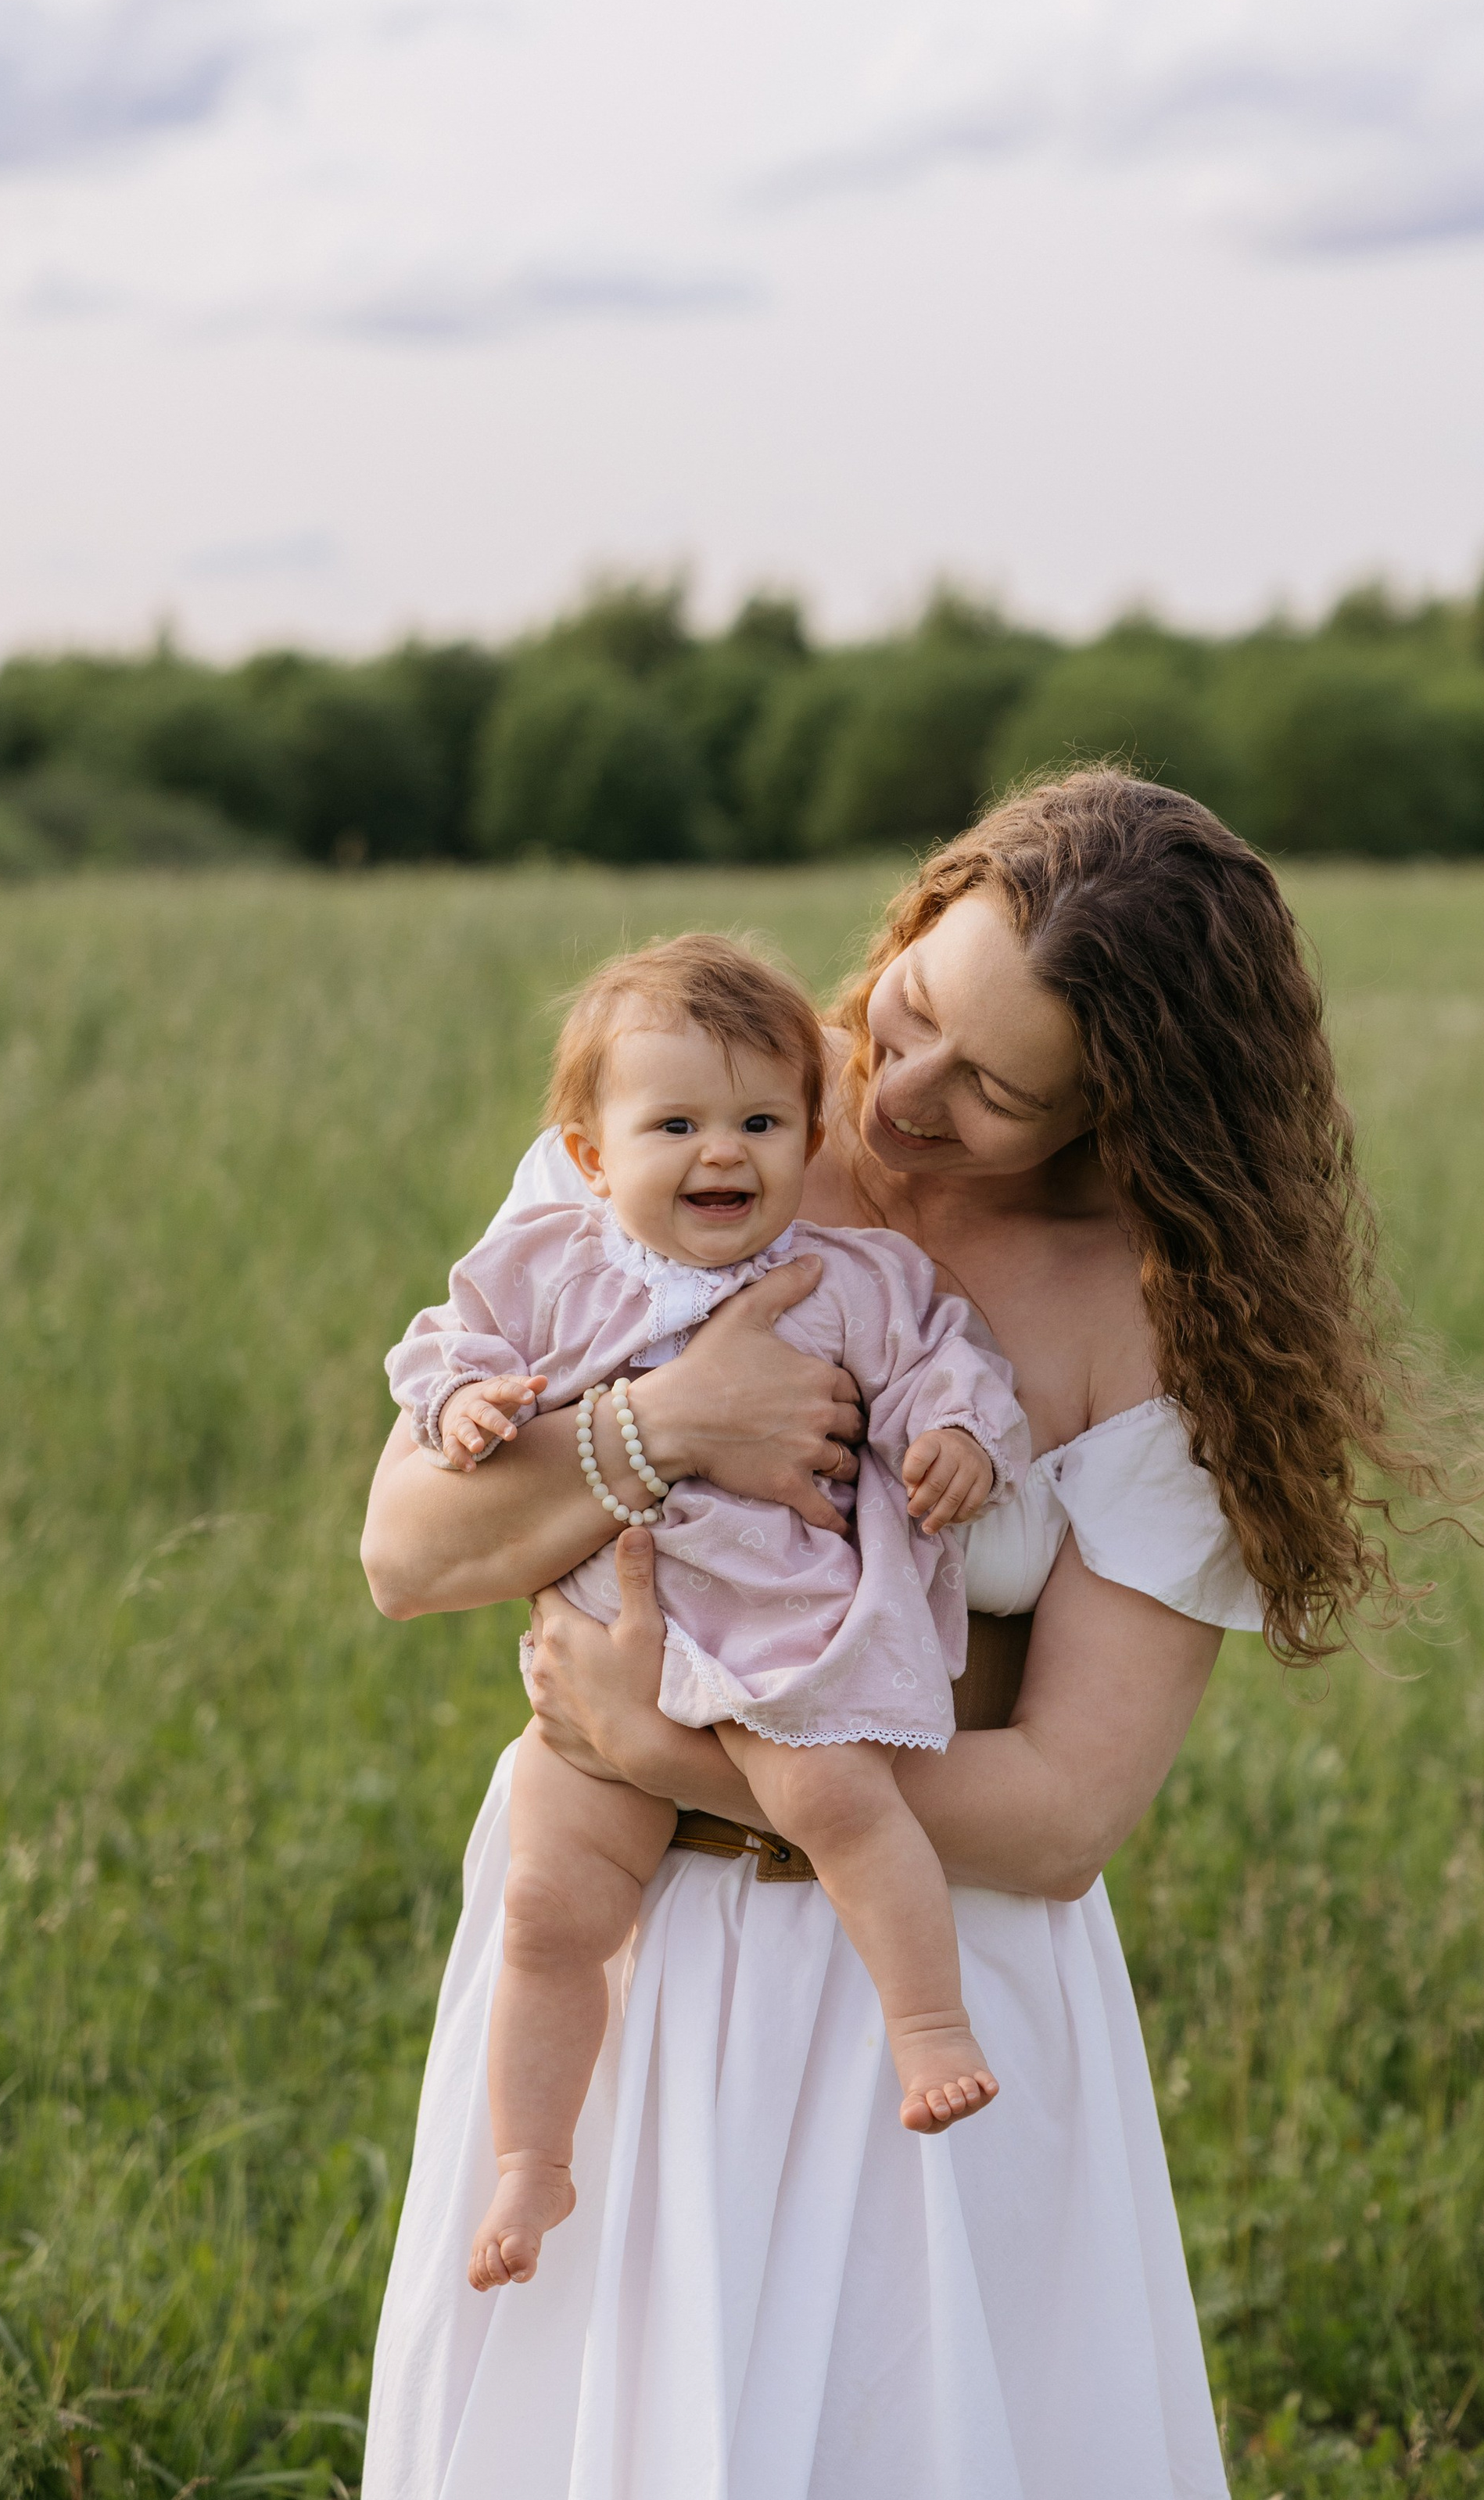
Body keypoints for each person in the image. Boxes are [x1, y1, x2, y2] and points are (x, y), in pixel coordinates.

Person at [358, 769, 1446, 2500]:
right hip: (622, 1941)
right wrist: (670, 1426)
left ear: (1122, 1113)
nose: (900, 1089)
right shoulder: (697, 1106)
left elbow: (1073, 1805)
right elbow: (407, 1551)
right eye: (909, 1006)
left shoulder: (1159, 1320)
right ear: (915, 915)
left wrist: (674, 1753)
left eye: (997, 1089)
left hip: (922, 1985)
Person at [383, 935, 1026, 2291]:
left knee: (846, 1807)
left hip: (775, 1661)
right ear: (596, 1152)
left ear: (809, 1132)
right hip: (592, 1668)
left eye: (758, 1123)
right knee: (548, 1912)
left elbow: (940, 1365)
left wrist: (957, 1435)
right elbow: (444, 1343)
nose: (719, 1152)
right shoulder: (556, 1263)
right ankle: (531, 2163)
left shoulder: (852, 1277)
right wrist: (464, 1404)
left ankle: (927, 2024)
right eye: (674, 1123)